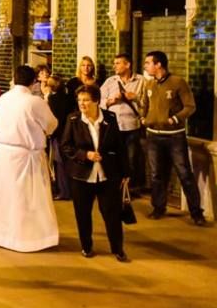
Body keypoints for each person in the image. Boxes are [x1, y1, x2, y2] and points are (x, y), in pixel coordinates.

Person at [0, 65, 58, 252]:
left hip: (4, 154)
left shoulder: (3, 98)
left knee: (6, 198)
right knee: (28, 200)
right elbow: (51, 124)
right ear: (33, 81)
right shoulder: (34, 102)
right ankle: (28, 238)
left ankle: (1, 234)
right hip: (26, 156)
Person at [60, 85, 130, 262]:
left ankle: (118, 248)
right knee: (82, 213)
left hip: (108, 174)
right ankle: (86, 246)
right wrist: (85, 155)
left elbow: (120, 147)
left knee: (112, 214)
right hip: (81, 176)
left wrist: (125, 172)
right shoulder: (73, 119)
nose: (82, 104)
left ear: (97, 101)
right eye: (80, 100)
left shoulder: (110, 118)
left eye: (86, 100)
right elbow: (66, 146)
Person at [142, 51, 205, 226]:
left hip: (174, 136)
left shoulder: (178, 83)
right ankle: (158, 207)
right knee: (156, 175)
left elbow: (190, 106)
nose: (145, 66)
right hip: (153, 136)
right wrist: (143, 118)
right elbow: (144, 105)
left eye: (148, 63)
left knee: (184, 173)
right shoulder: (149, 84)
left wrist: (175, 119)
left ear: (159, 64)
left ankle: (196, 212)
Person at [100, 53, 146, 193]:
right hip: (114, 126)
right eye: (114, 63)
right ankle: (114, 185)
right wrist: (110, 101)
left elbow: (148, 103)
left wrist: (135, 98)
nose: (115, 66)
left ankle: (128, 188)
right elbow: (100, 101)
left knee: (131, 158)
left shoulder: (141, 81)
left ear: (128, 65)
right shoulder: (110, 81)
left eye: (118, 63)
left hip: (132, 126)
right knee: (113, 156)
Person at [46, 75, 70, 200]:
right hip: (67, 133)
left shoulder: (52, 99)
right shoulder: (67, 98)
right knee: (64, 162)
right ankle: (67, 189)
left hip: (57, 134)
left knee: (58, 163)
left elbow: (52, 118)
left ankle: (63, 191)